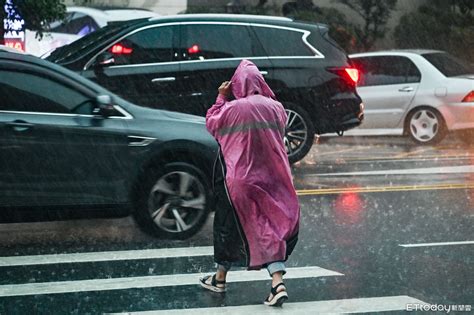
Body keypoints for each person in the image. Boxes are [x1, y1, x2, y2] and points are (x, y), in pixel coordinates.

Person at [200, 60, 300, 307]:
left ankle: (223, 279)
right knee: (269, 228)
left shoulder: (235, 109)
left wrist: (221, 97)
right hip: (273, 179)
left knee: (228, 227)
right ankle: (274, 281)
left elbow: (212, 123)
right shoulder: (277, 108)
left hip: (240, 179)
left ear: (237, 84)